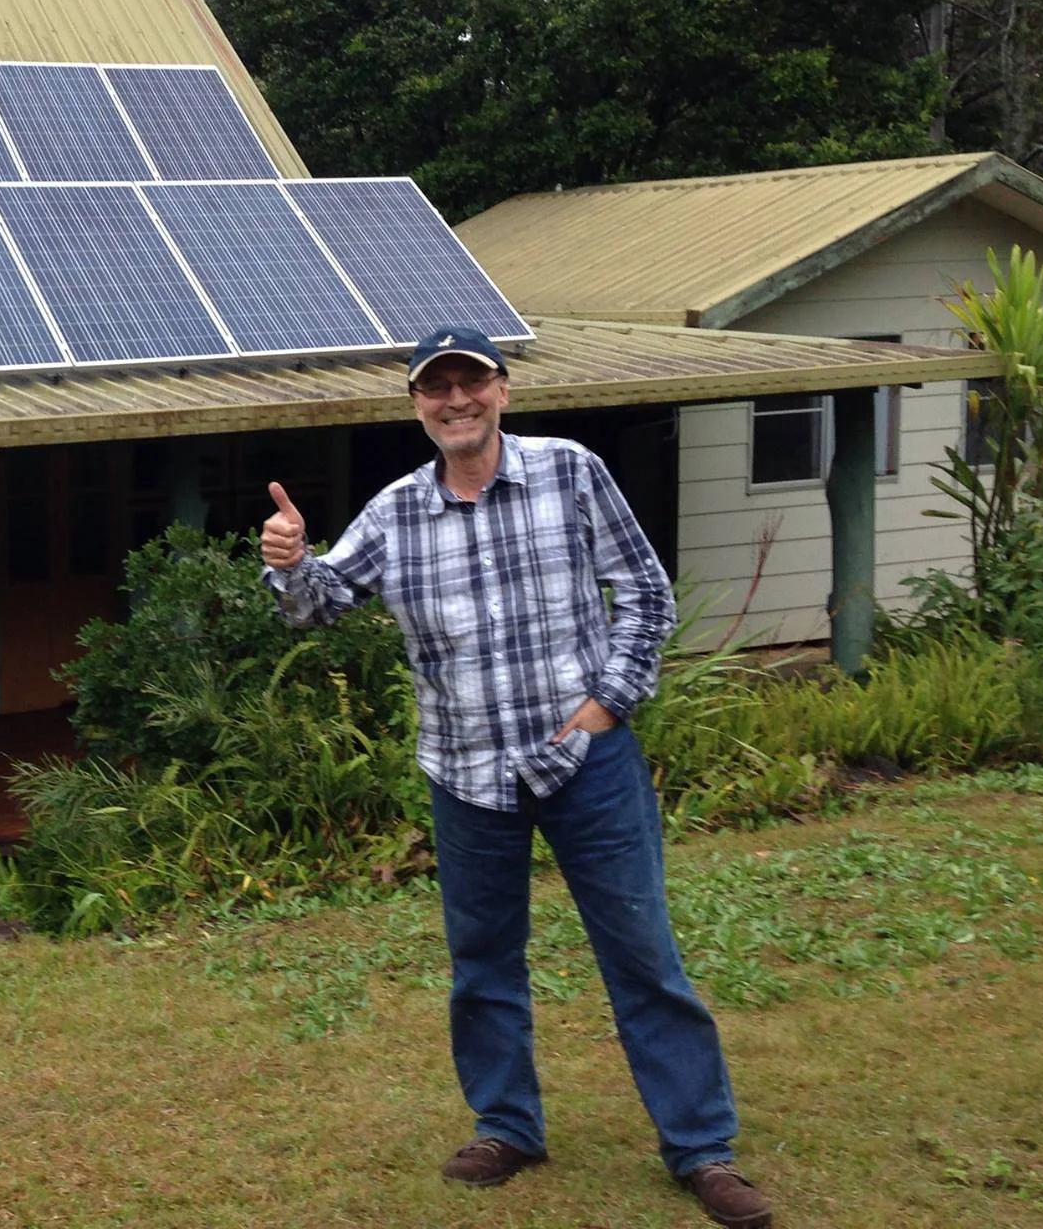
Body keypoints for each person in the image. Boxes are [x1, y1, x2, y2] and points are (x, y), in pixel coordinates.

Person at [259, 327, 772, 1229]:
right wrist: (292, 563)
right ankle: (508, 1128)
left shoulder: (571, 471)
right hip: (466, 776)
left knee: (643, 956)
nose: (454, 401)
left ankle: (702, 1149)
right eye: (435, 388)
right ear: (416, 402)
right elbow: (320, 607)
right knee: (483, 963)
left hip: (587, 764)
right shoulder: (396, 513)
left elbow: (645, 593)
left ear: (503, 390)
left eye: (471, 383)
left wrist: (607, 704)